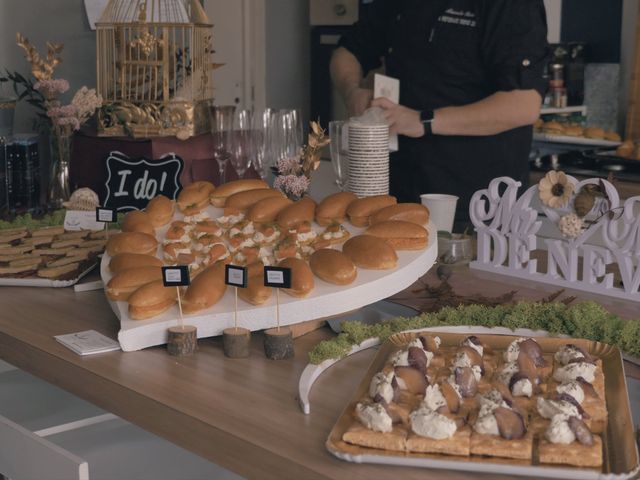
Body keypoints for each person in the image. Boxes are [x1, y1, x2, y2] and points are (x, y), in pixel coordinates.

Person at [331, 0, 550, 225]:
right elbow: (347, 52)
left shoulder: (512, 6)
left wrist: (422, 120)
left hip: (479, 203)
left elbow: (523, 105)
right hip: (398, 191)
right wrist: (352, 92)